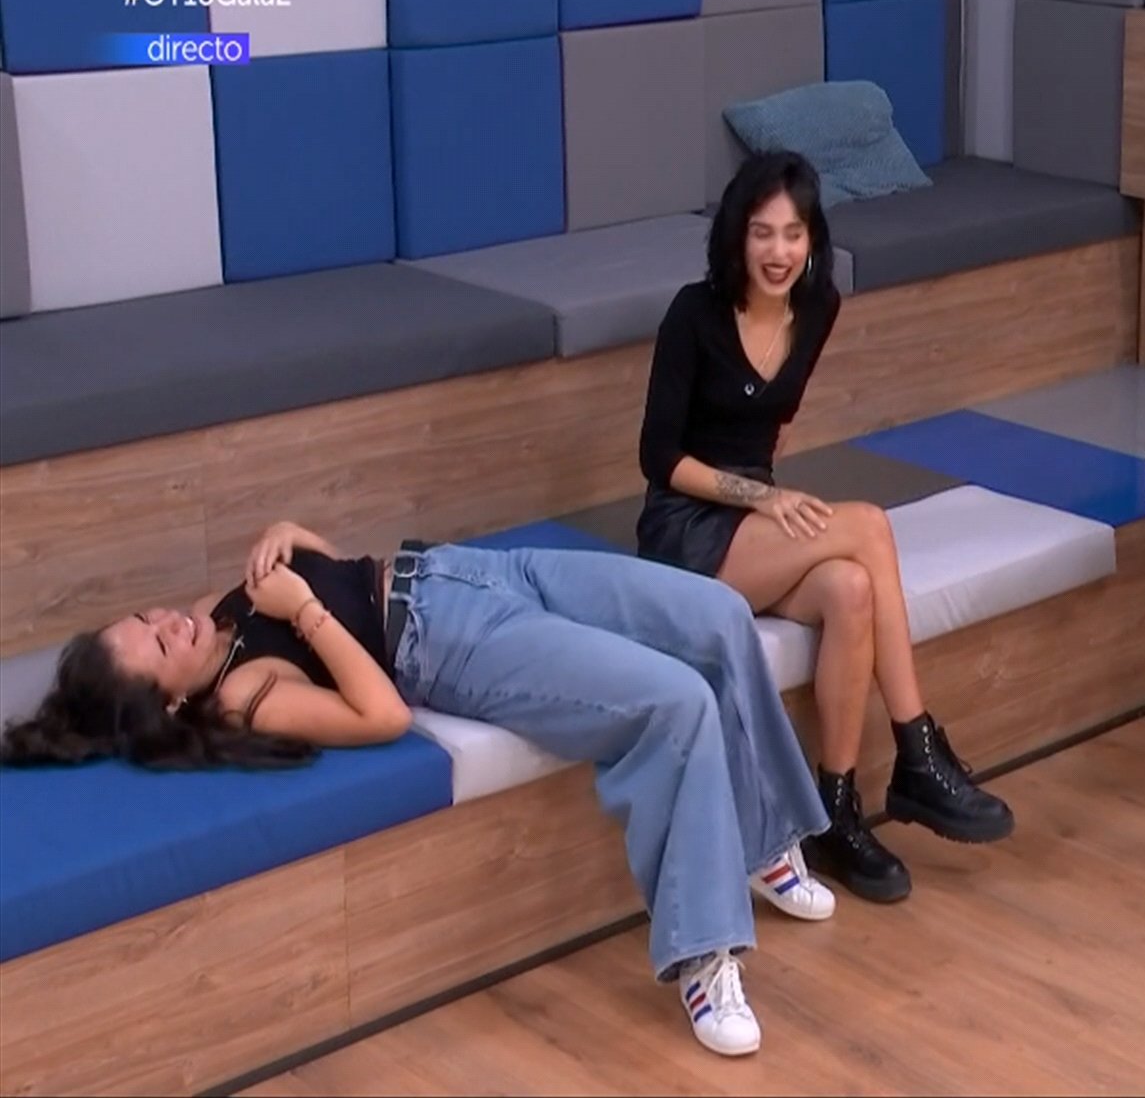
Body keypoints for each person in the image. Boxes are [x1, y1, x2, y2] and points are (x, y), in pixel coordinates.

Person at [0, 520, 839, 1059]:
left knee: (720, 615)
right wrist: (303, 607)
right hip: (451, 645)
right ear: (170, 704)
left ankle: (762, 838)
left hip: (470, 571)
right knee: (676, 701)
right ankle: (700, 954)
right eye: (156, 646)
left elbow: (334, 567)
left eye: (144, 619)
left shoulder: (209, 618)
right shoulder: (243, 694)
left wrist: (291, 534)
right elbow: (380, 714)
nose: (167, 623)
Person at [634, 150, 1013, 904]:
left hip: (757, 526)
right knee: (867, 526)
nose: (779, 252)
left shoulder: (818, 308)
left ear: (812, 239)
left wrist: (770, 501)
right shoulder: (694, 314)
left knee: (849, 590)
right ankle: (917, 749)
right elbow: (658, 457)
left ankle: (832, 813)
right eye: (763, 233)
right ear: (737, 237)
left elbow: (769, 425)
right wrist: (760, 498)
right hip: (686, 529)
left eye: (794, 233)